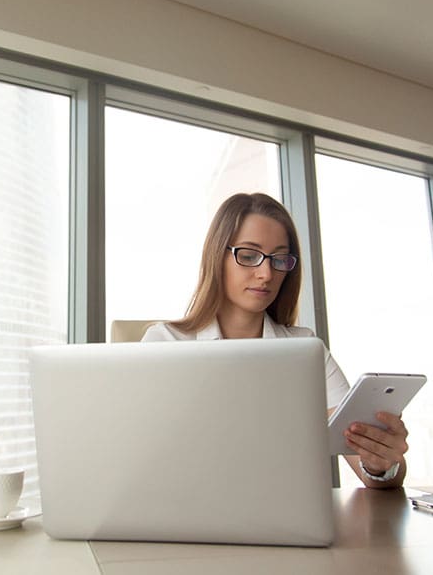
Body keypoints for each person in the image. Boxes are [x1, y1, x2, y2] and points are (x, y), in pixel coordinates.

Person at [142, 192, 408, 489]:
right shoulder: (164, 342)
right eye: (248, 255)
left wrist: (382, 464)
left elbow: (368, 468)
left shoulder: (306, 350)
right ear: (217, 256)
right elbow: (143, 455)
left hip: (288, 518)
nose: (266, 273)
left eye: (279, 259)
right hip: (187, 508)